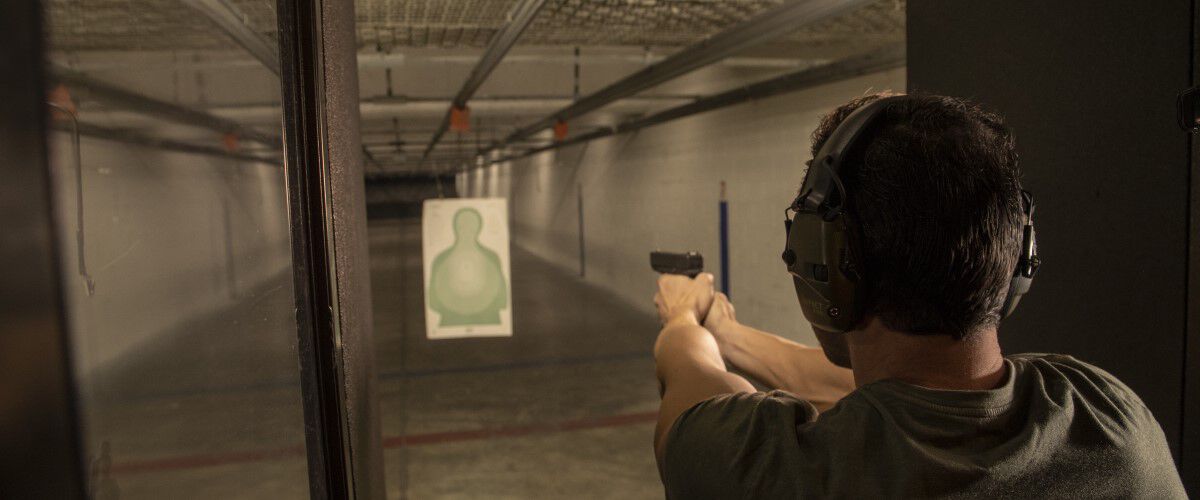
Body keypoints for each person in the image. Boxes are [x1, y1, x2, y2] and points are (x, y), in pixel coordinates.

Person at [651, 93, 1186, 498]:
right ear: (1016, 254)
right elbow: (899, 395)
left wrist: (683, 319)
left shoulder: (764, 472)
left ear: (824, 264)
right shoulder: (1105, 412)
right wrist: (727, 332)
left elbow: (690, 377)